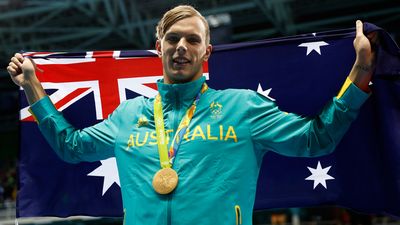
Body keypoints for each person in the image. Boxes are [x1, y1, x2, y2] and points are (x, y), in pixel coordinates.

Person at [7, 5, 375, 225]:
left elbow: (316, 138)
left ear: (207, 52)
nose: (182, 47)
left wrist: (360, 71)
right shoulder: (128, 115)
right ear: (159, 48)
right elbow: (72, 147)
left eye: (193, 40)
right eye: (173, 39)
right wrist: (32, 87)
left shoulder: (242, 108)